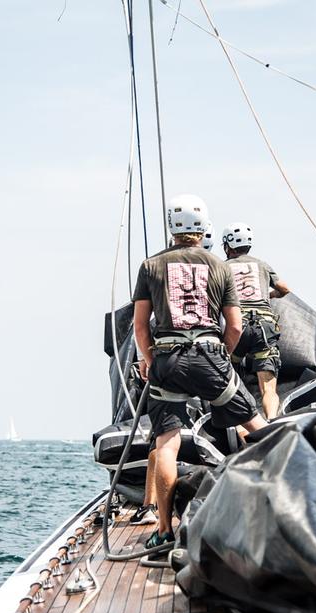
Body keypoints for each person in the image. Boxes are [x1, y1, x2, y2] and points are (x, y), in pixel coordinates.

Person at [132, 194, 268, 549]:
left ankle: (163, 529)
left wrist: (148, 361)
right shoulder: (220, 267)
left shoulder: (150, 266)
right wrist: (222, 356)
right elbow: (235, 326)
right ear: (204, 226)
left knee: (167, 444)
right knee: (258, 426)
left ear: (171, 227)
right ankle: (284, 494)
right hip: (211, 357)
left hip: (167, 361)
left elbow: (141, 327)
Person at [222, 223, 291, 419]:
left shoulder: (223, 266)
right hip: (264, 326)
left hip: (239, 324)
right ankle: (271, 422)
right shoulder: (261, 264)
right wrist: (271, 294)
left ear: (228, 245)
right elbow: (285, 289)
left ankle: (239, 423)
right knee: (269, 388)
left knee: (230, 371)